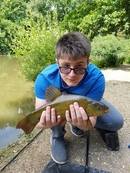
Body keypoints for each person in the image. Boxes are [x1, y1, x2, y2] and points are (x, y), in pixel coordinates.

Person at [34, 32, 124, 164]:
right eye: (65, 66)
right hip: (60, 103)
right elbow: (38, 119)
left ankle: (76, 125)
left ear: (88, 63)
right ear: (57, 62)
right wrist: (44, 123)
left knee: (116, 122)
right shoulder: (44, 78)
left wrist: (83, 124)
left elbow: (91, 120)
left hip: (87, 102)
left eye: (79, 67)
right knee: (57, 106)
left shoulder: (96, 78)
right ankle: (57, 137)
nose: (72, 74)